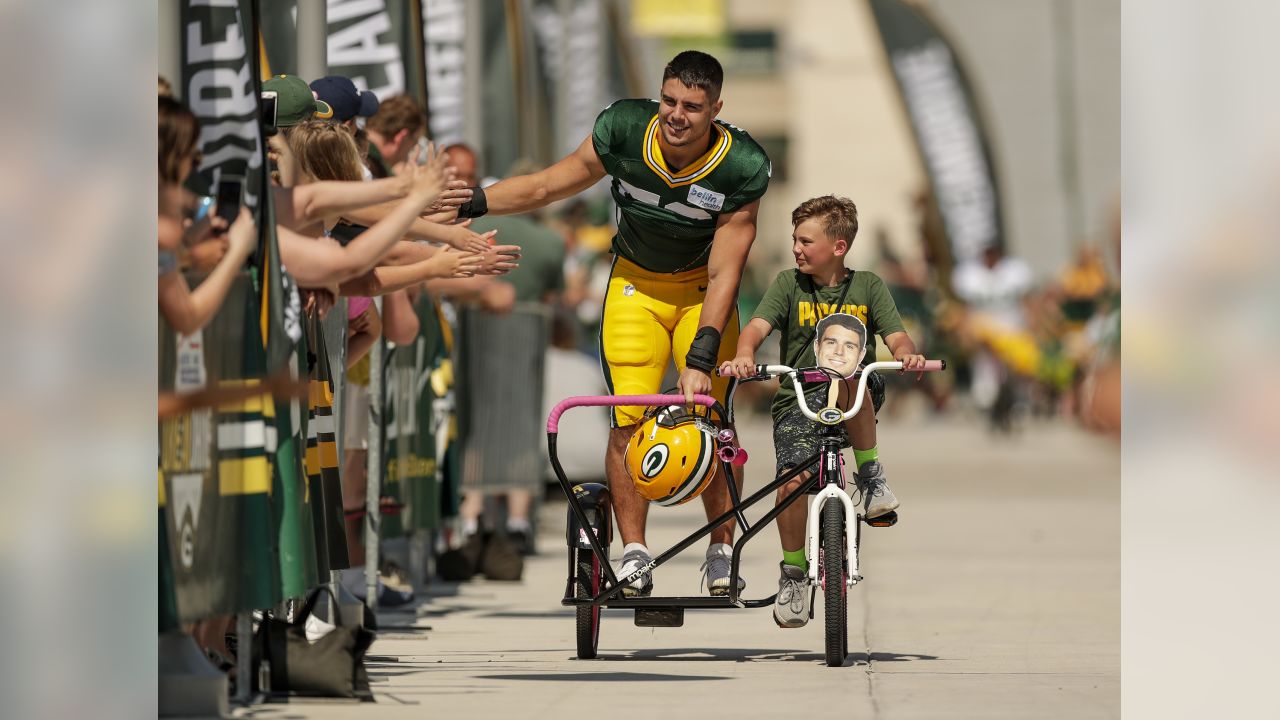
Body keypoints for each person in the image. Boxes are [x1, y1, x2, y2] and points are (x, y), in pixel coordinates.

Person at [453, 50, 771, 597]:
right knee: (629, 418)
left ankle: (722, 549)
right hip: (635, 286)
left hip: (702, 291)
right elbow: (549, 185)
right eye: (669, 100)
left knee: (715, 422)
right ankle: (635, 552)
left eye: (692, 107)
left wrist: (701, 356)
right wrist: (473, 201)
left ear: (716, 108)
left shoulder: (741, 163)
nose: (676, 115)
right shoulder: (624, 127)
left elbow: (726, 272)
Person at [718, 195, 925, 628]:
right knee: (790, 483)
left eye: (805, 241)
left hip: (855, 398)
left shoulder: (867, 285)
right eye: (795, 239)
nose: (796, 248)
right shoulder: (788, 284)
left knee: (852, 374)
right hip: (800, 399)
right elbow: (757, 326)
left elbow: (895, 335)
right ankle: (793, 573)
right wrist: (743, 352)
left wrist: (908, 355)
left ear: (838, 246)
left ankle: (870, 477)